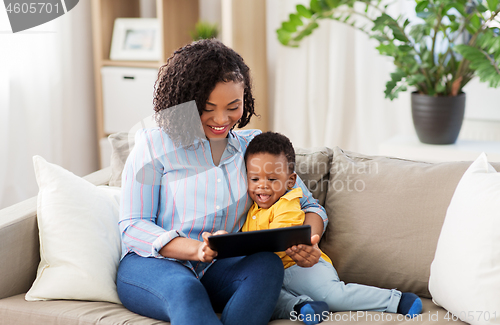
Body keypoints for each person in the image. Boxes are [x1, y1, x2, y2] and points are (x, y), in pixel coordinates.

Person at [116, 39, 329, 325]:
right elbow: (133, 226)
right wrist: (194, 249)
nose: (221, 119)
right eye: (207, 107)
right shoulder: (154, 145)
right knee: (186, 289)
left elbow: (310, 205)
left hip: (220, 267)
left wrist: (309, 241)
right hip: (152, 265)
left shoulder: (253, 147)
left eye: (233, 106)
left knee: (267, 263)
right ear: (184, 103)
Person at [242, 131, 423, 325]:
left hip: (303, 265)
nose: (262, 186)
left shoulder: (289, 201)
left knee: (333, 295)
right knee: (260, 299)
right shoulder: (252, 210)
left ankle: (396, 300)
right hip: (274, 274)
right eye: (255, 180)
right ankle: (302, 307)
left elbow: (275, 239)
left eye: (271, 180)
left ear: (291, 181)